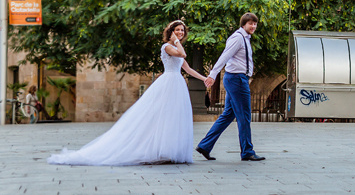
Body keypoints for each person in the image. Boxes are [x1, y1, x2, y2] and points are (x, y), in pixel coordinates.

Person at [48, 21, 208, 165]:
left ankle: (170, 151)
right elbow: (182, 54)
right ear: (171, 32)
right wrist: (177, 41)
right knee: (162, 116)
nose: (180, 32)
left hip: (178, 84)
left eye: (182, 30)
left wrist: (205, 79)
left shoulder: (176, 47)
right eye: (177, 30)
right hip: (168, 83)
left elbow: (187, 69)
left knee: (174, 118)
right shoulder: (167, 47)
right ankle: (159, 151)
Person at [196, 13, 264, 162]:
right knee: (245, 115)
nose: (253, 26)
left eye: (255, 24)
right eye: (250, 23)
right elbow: (224, 56)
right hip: (237, 80)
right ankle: (247, 151)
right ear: (243, 24)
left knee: (228, 115)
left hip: (237, 79)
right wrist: (213, 75)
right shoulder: (238, 38)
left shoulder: (244, 38)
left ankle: (205, 146)